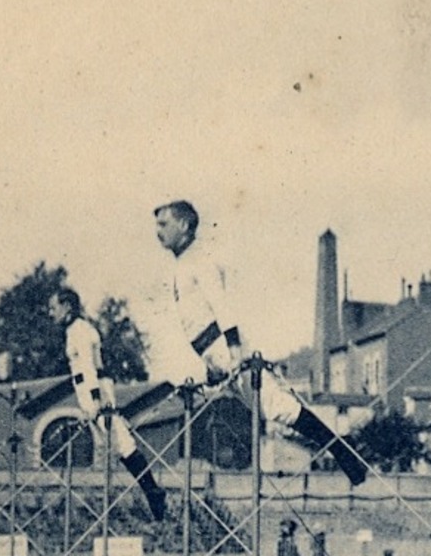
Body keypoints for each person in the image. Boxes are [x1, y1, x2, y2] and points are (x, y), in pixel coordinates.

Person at [151, 200, 365, 487]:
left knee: (276, 406)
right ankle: (340, 446)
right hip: (209, 352)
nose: (158, 231)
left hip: (223, 347)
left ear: (185, 225)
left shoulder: (200, 261)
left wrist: (235, 354)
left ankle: (341, 449)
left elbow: (222, 307)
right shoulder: (183, 264)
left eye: (164, 224)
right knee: (269, 409)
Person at [48, 286, 167, 520]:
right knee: (120, 446)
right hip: (90, 392)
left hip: (96, 393)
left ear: (67, 306)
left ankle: (153, 492)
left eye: (54, 308)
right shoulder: (74, 330)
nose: (51, 313)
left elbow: (90, 369)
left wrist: (95, 402)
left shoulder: (80, 331)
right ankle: (152, 491)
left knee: (122, 443)